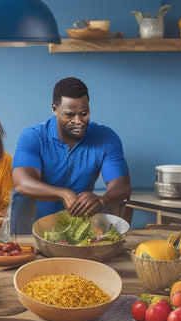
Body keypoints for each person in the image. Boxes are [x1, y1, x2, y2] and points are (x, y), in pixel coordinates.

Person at [10, 77, 131, 235]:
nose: (78, 121)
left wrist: (100, 199)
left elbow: (122, 187)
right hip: (36, 222)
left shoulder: (106, 138)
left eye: (84, 114)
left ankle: (105, 245)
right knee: (21, 196)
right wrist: (63, 193)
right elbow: (22, 182)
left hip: (81, 219)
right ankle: (23, 245)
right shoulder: (33, 136)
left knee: (115, 200)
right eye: (69, 114)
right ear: (55, 109)